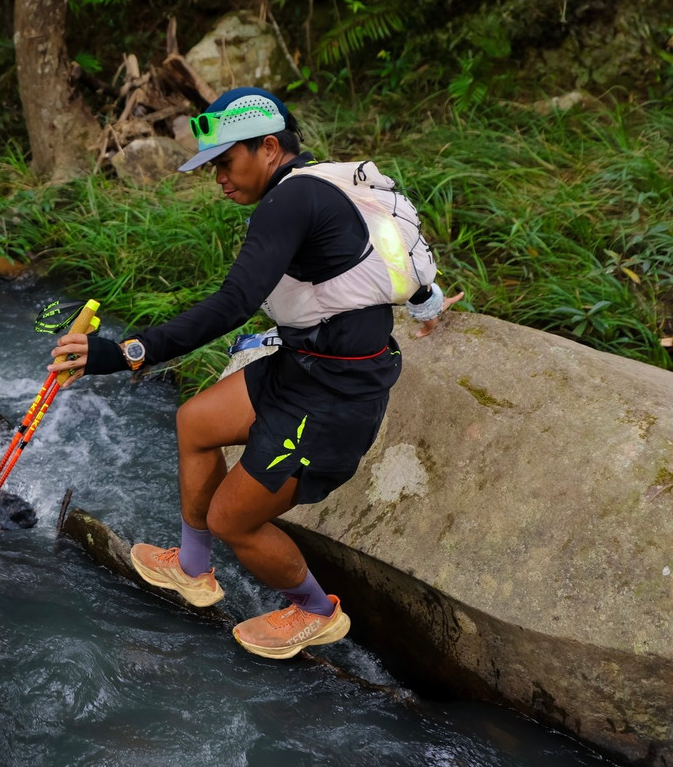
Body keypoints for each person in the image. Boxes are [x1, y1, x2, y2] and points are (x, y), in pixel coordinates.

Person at [48, 86, 461, 660]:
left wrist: (126, 354)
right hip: (302, 366)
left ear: (268, 147)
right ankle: (193, 570)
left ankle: (318, 611)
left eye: (225, 161)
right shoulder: (313, 187)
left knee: (233, 520)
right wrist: (429, 304)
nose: (218, 176)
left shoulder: (291, 201)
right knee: (195, 421)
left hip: (335, 396)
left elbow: (234, 303)